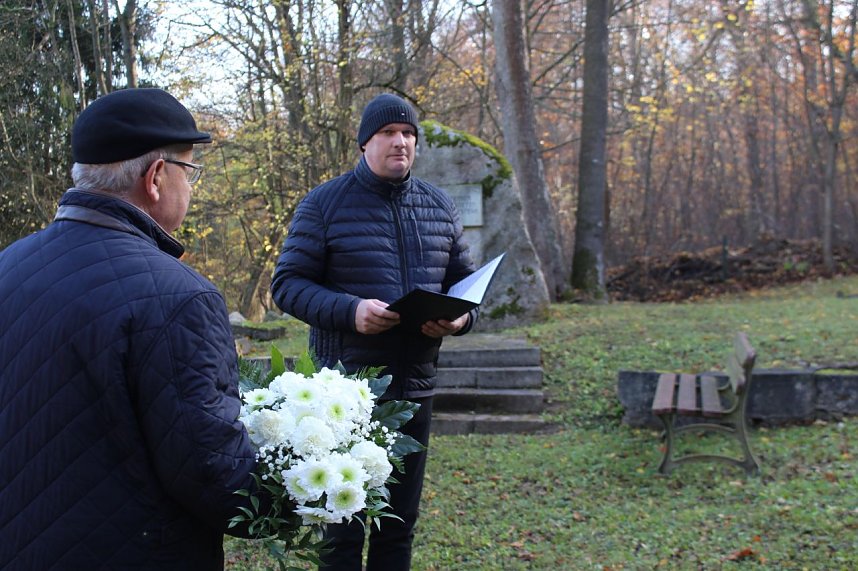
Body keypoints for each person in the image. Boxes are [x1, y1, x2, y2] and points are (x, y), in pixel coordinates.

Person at [0, 88, 263, 570]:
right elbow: (212, 474)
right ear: (156, 176)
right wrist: (301, 487)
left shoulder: (9, 265)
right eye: (190, 171)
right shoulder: (180, 296)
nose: (191, 187)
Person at [270, 93, 477, 570]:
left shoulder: (439, 205)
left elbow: (466, 288)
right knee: (341, 530)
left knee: (398, 528)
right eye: (387, 133)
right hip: (344, 398)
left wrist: (461, 319)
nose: (400, 141)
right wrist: (351, 311)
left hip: (415, 389)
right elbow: (288, 285)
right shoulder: (324, 204)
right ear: (365, 143)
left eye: (408, 133)